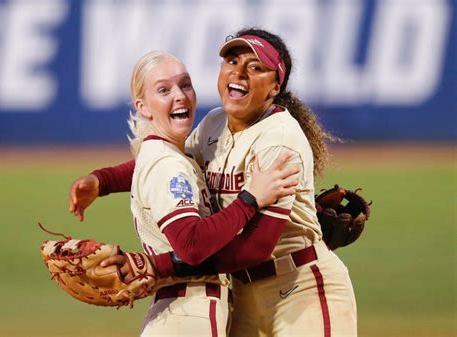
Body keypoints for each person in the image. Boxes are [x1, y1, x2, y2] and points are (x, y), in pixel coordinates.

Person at [70, 28, 357, 337]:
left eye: (256, 67)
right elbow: (169, 163)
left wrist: (160, 266)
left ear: (274, 87)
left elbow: (256, 248)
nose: (240, 73)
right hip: (242, 293)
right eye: (232, 61)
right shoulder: (214, 124)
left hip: (299, 289)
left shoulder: (279, 140)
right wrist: (103, 181)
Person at [92, 50, 298, 337]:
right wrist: (249, 199)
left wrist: (100, 181)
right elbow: (190, 245)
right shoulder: (168, 163)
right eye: (164, 90)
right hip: (188, 314)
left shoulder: (169, 155)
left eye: (185, 85)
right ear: (144, 106)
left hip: (178, 313)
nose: (179, 95)